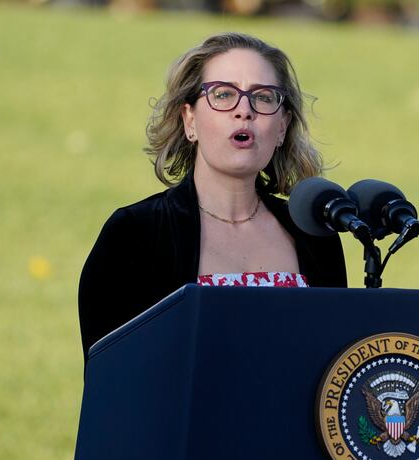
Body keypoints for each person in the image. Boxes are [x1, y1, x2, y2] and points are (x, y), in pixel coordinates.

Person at [78, 33, 347, 362]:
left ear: (282, 127)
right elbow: (113, 382)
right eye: (223, 94)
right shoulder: (135, 234)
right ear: (189, 119)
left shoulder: (313, 234)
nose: (244, 111)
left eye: (263, 98)